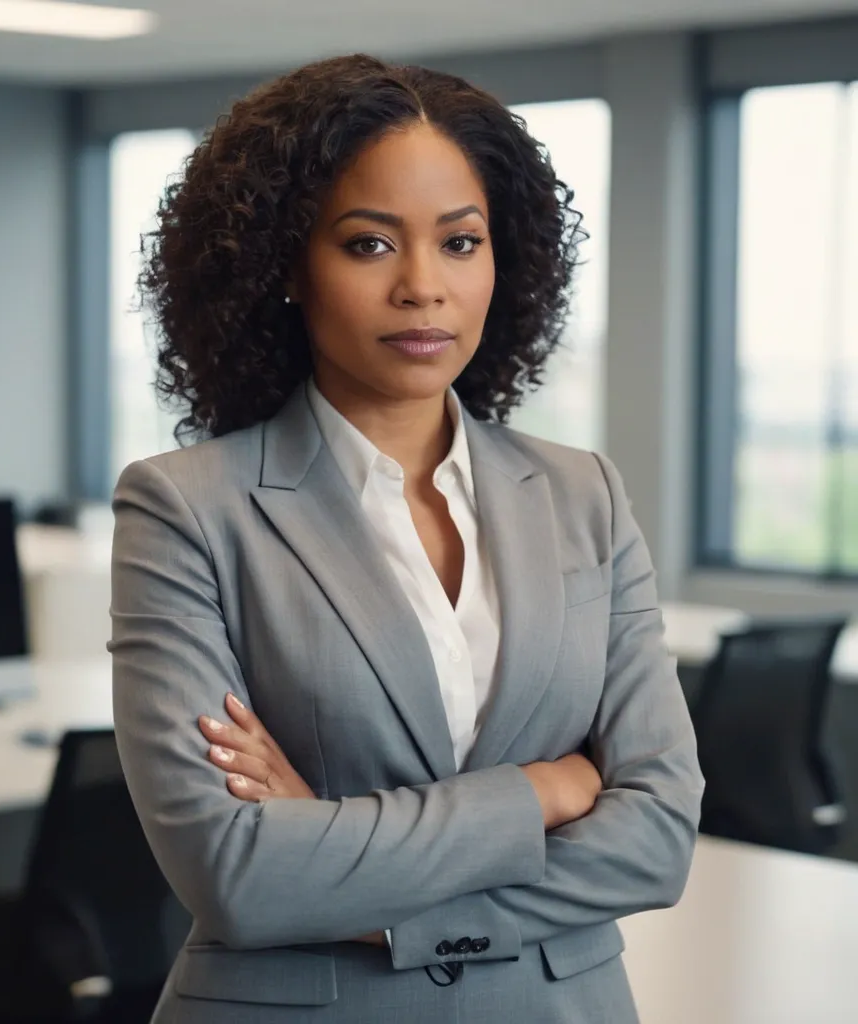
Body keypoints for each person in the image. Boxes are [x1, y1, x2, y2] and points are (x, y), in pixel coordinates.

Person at [109, 53, 704, 1023]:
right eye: (369, 245)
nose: (423, 287)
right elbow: (237, 874)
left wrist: (338, 860)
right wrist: (542, 789)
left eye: (460, 242)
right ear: (286, 264)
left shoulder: (582, 494)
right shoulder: (185, 510)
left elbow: (656, 837)